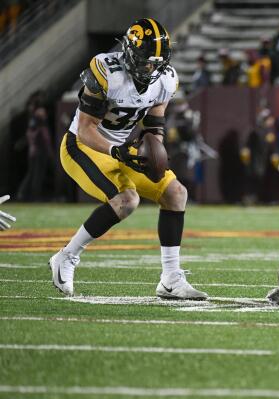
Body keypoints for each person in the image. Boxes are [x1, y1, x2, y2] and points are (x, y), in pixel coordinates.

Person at [49, 18, 207, 300]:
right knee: (126, 200)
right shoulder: (106, 71)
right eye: (146, 60)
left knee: (175, 193)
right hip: (83, 146)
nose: (151, 68)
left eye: (156, 62)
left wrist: (152, 155)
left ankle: (170, 278)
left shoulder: (166, 80)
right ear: (130, 53)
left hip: (122, 148)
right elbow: (86, 129)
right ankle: (66, 256)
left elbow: (154, 127)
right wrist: (115, 150)